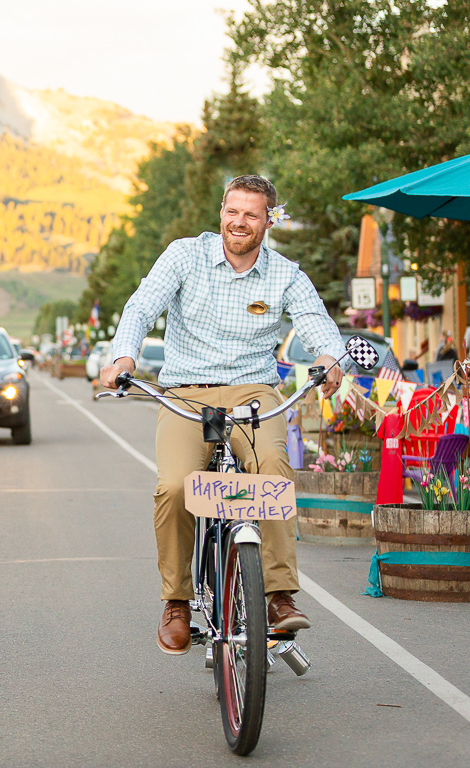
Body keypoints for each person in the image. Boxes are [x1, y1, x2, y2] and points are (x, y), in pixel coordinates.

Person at [100, 175, 345, 655]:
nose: (240, 221)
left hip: (253, 391)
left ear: (268, 220)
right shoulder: (184, 255)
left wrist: (331, 359)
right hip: (188, 393)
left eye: (252, 214)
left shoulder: (286, 275)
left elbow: (317, 324)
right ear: (221, 212)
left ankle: (278, 594)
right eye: (233, 211)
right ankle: (176, 602)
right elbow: (141, 305)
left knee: (271, 470)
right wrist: (124, 356)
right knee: (174, 485)